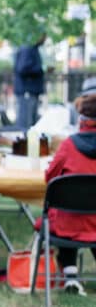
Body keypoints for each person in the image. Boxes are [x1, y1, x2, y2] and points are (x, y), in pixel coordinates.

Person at [42, 92, 96, 294]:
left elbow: (51, 177)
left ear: (81, 118)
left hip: (69, 223)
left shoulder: (68, 145)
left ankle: (71, 276)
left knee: (65, 216)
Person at [14, 35, 46, 129]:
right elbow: (22, 69)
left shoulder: (33, 49)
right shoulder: (28, 49)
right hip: (27, 91)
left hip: (31, 91)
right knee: (25, 125)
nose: (44, 39)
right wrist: (41, 69)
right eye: (43, 36)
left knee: (31, 125)